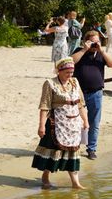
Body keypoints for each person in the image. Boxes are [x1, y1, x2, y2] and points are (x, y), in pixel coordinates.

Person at [31, 57, 88, 189]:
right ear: (59, 71)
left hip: (73, 124)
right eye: (67, 72)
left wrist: (85, 121)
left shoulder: (75, 82)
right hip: (56, 124)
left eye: (71, 72)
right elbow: (44, 106)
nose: (70, 75)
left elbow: (81, 103)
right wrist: (41, 126)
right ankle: (45, 176)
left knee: (73, 152)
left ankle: (75, 183)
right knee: (54, 152)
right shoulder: (50, 83)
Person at [71, 31, 112, 160]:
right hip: (78, 92)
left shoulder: (101, 54)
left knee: (94, 122)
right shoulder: (80, 50)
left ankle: (91, 149)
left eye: (97, 41)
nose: (94, 44)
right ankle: (74, 146)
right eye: (92, 41)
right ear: (85, 41)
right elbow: (70, 61)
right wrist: (85, 49)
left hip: (96, 92)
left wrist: (101, 50)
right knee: (75, 120)